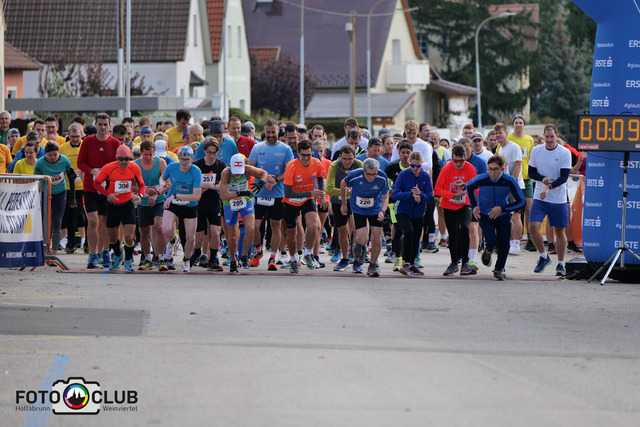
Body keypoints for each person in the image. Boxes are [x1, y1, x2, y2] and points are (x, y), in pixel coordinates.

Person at [466, 155, 525, 280]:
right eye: (490, 169)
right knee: (491, 240)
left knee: (504, 243)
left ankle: (499, 268)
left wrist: (503, 208)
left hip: (502, 214)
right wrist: (474, 206)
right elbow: (469, 186)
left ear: (502, 168)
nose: (493, 172)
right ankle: (488, 249)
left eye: (496, 169)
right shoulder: (482, 179)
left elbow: (521, 201)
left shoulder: (509, 180)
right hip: (485, 213)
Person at [246, 119, 294, 270]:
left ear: (278, 131)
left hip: (277, 194)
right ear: (264, 132)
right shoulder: (257, 147)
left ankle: (272, 257)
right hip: (259, 193)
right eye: (268, 132)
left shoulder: (286, 149)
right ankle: (258, 250)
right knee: (255, 226)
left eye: (273, 132)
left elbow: (289, 171)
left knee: (275, 226)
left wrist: (276, 179)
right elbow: (250, 169)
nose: (271, 135)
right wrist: (264, 177)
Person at [77, 113, 121, 269]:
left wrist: (106, 174)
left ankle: (105, 252)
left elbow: (118, 164)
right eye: (100, 124)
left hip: (107, 189)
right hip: (90, 187)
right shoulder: (88, 141)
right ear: (95, 125)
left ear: (109, 126)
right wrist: (92, 171)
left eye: (105, 124)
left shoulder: (115, 143)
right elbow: (80, 163)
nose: (102, 127)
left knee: (105, 223)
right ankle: (92, 254)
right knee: (93, 221)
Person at [527, 124, 572, 277]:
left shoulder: (565, 152)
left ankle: (560, 264)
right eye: (547, 137)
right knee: (533, 227)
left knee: (559, 231)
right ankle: (543, 256)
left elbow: (564, 177)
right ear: (543, 136)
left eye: (552, 136)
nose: (549, 140)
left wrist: (549, 186)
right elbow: (531, 172)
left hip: (558, 198)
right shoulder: (536, 150)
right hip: (540, 196)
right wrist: (543, 179)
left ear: (556, 136)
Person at [93, 145, 145, 272]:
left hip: (128, 204)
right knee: (112, 237)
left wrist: (140, 196)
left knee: (129, 236)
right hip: (112, 205)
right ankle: (118, 254)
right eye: (121, 159)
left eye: (127, 159)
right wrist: (107, 194)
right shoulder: (108, 168)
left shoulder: (134, 167)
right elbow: (96, 183)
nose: (124, 162)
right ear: (117, 158)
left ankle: (128, 259)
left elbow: (142, 185)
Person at [340, 158, 389, 276]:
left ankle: (373, 265)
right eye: (369, 174)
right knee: (363, 239)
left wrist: (382, 211)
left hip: (375, 209)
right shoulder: (355, 175)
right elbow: (343, 184)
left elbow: (385, 197)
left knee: (377, 238)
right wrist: (344, 204)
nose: (372, 177)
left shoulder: (382, 177)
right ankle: (359, 245)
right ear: (363, 170)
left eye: (374, 174)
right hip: (359, 209)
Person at [156, 146, 202, 272]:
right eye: (181, 159)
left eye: (187, 160)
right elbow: (163, 177)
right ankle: (172, 240)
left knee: (190, 238)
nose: (184, 163)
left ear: (192, 159)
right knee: (165, 229)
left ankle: (186, 260)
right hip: (173, 203)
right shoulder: (172, 167)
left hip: (189, 205)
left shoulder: (196, 171)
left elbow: (196, 196)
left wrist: (176, 195)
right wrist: (162, 183)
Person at [434, 144, 477, 276]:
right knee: (453, 233)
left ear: (466, 157)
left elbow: (476, 189)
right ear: (452, 158)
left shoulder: (470, 168)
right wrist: (453, 195)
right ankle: (454, 263)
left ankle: (465, 262)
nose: (458, 164)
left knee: (464, 228)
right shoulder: (447, 168)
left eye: (461, 161)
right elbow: (437, 190)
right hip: (449, 204)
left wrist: (466, 187)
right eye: (456, 161)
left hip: (465, 203)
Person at [283, 140, 325, 273]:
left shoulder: (316, 163)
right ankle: (293, 259)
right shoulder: (291, 166)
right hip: (291, 200)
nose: (306, 158)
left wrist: (322, 195)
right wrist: (311, 193)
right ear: (298, 153)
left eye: (309, 155)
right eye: (303, 155)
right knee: (292, 233)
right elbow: (288, 193)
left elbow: (320, 179)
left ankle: (308, 253)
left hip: (308, 199)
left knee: (314, 226)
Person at [219, 154, 267, 272]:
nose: (237, 175)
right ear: (230, 166)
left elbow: (264, 173)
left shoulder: (247, 169)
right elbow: (223, 196)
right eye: (235, 172)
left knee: (251, 228)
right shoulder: (226, 173)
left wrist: (260, 183)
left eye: (239, 172)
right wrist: (239, 193)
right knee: (232, 235)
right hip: (229, 202)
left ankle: (244, 256)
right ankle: (233, 259)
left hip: (245, 200)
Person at [392, 151, 433, 276]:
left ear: (422, 164)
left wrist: (420, 195)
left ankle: (412, 264)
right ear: (409, 164)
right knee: (409, 232)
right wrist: (411, 194)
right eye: (412, 166)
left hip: (418, 212)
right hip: (402, 210)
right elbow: (395, 194)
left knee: (416, 237)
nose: (415, 169)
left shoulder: (425, 176)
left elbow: (430, 197)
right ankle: (405, 262)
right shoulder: (403, 174)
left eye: (418, 166)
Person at [34, 142, 77, 257]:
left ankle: (54, 253)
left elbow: (72, 178)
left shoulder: (64, 160)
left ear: (58, 153)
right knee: (45, 222)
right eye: (50, 155)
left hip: (60, 193)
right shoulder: (40, 163)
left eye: (55, 154)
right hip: (45, 193)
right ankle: (44, 250)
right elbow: (35, 181)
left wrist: (72, 198)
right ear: (45, 154)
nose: (53, 157)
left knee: (57, 222)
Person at [193, 137, 227, 271]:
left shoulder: (221, 166)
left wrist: (213, 186)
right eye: (209, 153)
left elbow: (224, 185)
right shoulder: (197, 165)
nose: (212, 156)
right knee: (199, 237)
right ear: (204, 151)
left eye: (214, 153)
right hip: (199, 203)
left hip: (214, 203)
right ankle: (197, 252)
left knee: (215, 232)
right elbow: (192, 183)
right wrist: (202, 186)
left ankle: (212, 258)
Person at [327, 145, 362, 271]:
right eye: (344, 159)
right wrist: (347, 192)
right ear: (340, 157)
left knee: (357, 231)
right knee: (342, 231)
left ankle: (357, 260)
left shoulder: (359, 165)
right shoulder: (334, 166)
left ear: (354, 157)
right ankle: (345, 259)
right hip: (338, 202)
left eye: (350, 159)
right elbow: (329, 189)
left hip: (355, 202)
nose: (347, 162)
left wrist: (352, 192)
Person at [135, 140, 168, 270]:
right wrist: (144, 190)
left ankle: (161, 258)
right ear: (141, 152)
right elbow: (131, 185)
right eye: (145, 154)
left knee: (159, 226)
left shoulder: (160, 162)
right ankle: (147, 258)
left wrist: (156, 194)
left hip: (158, 200)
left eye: (150, 154)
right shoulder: (135, 164)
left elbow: (167, 183)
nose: (148, 157)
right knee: (144, 231)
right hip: (143, 202)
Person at [495, 122, 525, 256]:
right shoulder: (500, 149)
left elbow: (518, 167)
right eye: (496, 133)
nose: (498, 135)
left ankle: (516, 244)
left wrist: (511, 185)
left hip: (515, 187)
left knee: (516, 216)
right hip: (505, 188)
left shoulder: (514, 147)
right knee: (507, 216)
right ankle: (509, 242)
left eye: (500, 133)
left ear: (506, 133)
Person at [507, 115, 536, 252]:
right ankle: (512, 239)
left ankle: (530, 238)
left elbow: (531, 158)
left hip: (527, 178)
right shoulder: (508, 138)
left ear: (524, 125)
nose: (518, 125)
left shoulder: (529, 139)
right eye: (516, 123)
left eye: (521, 123)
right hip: (513, 178)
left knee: (529, 208)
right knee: (514, 211)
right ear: (513, 125)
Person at [385, 141, 413, 271]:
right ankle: (397, 258)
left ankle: (410, 259)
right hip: (395, 204)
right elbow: (386, 185)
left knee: (410, 232)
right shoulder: (392, 168)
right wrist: (391, 192)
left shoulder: (415, 168)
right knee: (398, 231)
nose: (406, 155)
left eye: (408, 153)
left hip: (411, 204)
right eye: (403, 152)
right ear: (399, 153)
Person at [59, 124, 86, 253]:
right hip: (69, 187)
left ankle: (86, 242)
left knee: (84, 215)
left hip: (84, 186)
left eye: (77, 136)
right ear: (68, 135)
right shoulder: (62, 148)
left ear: (82, 135)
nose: (75, 139)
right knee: (70, 215)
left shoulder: (86, 146)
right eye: (73, 136)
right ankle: (71, 243)